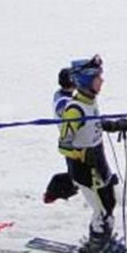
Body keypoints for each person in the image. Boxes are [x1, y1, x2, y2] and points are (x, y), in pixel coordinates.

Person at [56, 55, 127, 253]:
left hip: (99, 161)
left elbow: (94, 122)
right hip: (84, 168)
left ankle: (102, 239)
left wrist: (113, 125)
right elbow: (63, 145)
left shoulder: (90, 101)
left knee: (109, 201)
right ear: (85, 80)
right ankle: (98, 243)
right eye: (97, 77)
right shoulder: (74, 110)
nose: (102, 81)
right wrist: (81, 153)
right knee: (100, 210)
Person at [43, 67, 78, 204]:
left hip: (70, 140)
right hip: (72, 142)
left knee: (78, 172)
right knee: (77, 174)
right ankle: (54, 193)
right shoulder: (64, 101)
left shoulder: (61, 95)